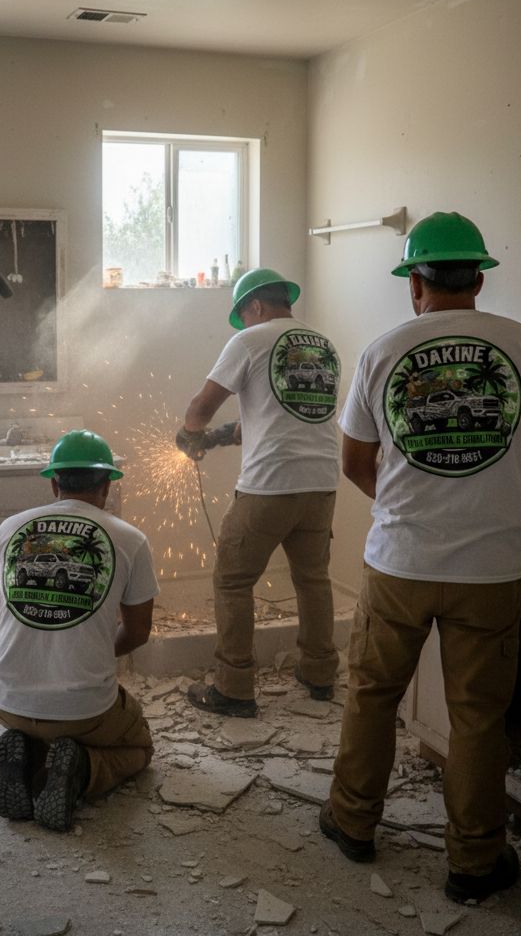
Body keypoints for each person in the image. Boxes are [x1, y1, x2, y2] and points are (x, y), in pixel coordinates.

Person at [321, 211, 521, 904]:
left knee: (373, 696)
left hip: (399, 561)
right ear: (480, 277)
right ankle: (473, 863)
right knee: (478, 717)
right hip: (489, 570)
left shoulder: (383, 349)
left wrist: (410, 504)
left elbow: (353, 462)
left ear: (415, 283)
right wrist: (500, 501)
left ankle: (352, 822)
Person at [177, 268, 342, 718]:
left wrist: (191, 436)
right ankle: (320, 672)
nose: (245, 323)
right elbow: (284, 417)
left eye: (244, 315)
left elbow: (200, 408)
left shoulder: (249, 341)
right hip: (322, 485)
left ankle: (234, 687)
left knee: (232, 580)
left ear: (254, 306)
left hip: (270, 486)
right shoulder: (321, 345)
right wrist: (223, 435)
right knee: (313, 581)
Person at [0, 430, 158, 832]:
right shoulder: (130, 540)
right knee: (139, 746)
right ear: (107, 486)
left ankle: (27, 754)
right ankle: (81, 769)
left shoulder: (9, 530)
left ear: (54, 482)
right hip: (84, 710)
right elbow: (138, 633)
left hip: (6, 701)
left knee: (41, 727)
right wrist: (86, 650)